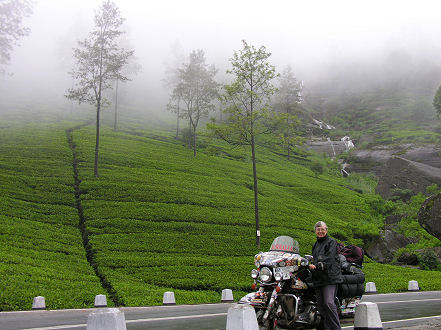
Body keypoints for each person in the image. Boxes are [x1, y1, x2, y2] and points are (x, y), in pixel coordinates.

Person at [309, 221, 343, 330]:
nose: (320, 231)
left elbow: (329, 259)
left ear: (326, 230)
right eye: (318, 229)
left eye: (322, 229)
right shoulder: (316, 244)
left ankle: (337, 328)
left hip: (330, 278)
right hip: (319, 278)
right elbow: (314, 259)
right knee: (321, 306)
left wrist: (319, 265)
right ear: (315, 231)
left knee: (328, 303)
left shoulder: (331, 242)